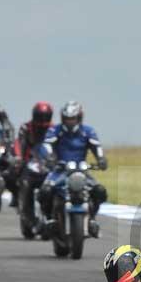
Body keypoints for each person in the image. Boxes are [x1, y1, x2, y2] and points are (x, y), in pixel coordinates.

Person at [38, 101, 107, 237]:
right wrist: (49, 158)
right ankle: (48, 219)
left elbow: (97, 147)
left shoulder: (88, 131)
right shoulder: (55, 130)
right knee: (45, 191)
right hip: (60, 170)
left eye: (73, 119)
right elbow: (46, 145)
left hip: (82, 171)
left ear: (79, 118)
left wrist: (101, 159)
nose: (70, 122)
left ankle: (92, 219)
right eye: (67, 119)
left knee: (99, 191)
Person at [14, 101, 54, 232]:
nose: (42, 120)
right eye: (40, 116)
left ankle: (57, 214)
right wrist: (18, 158)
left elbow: (61, 146)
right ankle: (23, 209)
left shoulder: (54, 129)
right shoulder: (26, 128)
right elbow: (19, 143)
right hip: (29, 163)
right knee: (17, 179)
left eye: (45, 117)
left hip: (49, 164)